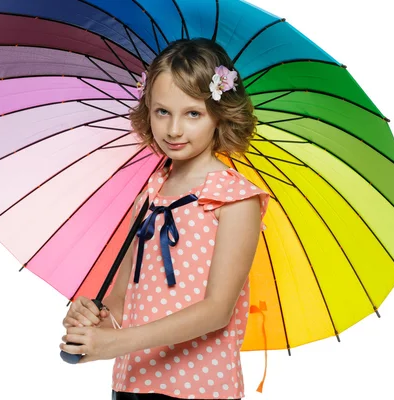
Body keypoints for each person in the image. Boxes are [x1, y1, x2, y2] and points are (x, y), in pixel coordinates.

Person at [60, 38, 270, 400]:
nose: (174, 129)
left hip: (201, 388)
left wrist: (118, 341)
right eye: (162, 112)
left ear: (220, 114)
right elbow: (125, 297)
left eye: (192, 113)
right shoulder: (149, 194)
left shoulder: (236, 199)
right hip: (132, 382)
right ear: (147, 110)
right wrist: (95, 319)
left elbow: (216, 311)